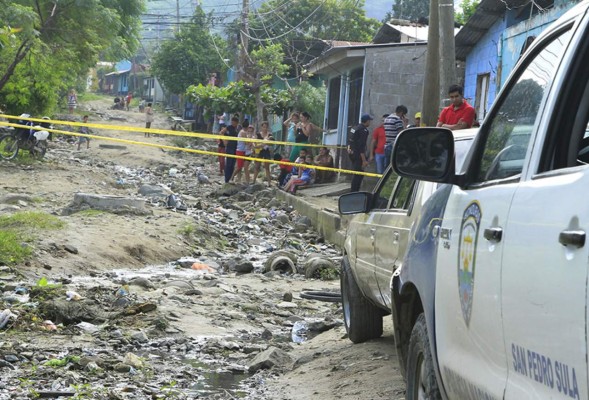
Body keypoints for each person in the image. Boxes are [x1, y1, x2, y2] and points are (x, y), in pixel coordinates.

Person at [348, 114, 372, 192]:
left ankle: (353, 191)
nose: (370, 123)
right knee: (359, 174)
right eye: (369, 121)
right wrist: (364, 160)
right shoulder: (363, 130)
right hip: (358, 155)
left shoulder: (354, 128)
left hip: (352, 153)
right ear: (367, 121)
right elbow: (361, 146)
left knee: (357, 173)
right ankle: (354, 192)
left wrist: (349, 149)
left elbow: (350, 140)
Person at [253, 121, 274, 186]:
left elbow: (271, 143)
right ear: (261, 127)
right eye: (263, 127)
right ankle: (253, 181)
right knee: (257, 166)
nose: (265, 128)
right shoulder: (258, 134)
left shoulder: (270, 135)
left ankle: (269, 183)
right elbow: (254, 142)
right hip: (259, 151)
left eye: (266, 127)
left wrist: (263, 144)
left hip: (266, 151)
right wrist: (256, 146)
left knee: (267, 167)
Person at [223, 117, 240, 184]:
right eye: (232, 122)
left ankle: (231, 178)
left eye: (235, 122)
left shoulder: (238, 128)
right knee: (228, 164)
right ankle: (226, 179)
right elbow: (221, 132)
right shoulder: (229, 127)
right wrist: (224, 141)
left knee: (233, 163)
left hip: (236, 147)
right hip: (230, 147)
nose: (233, 123)